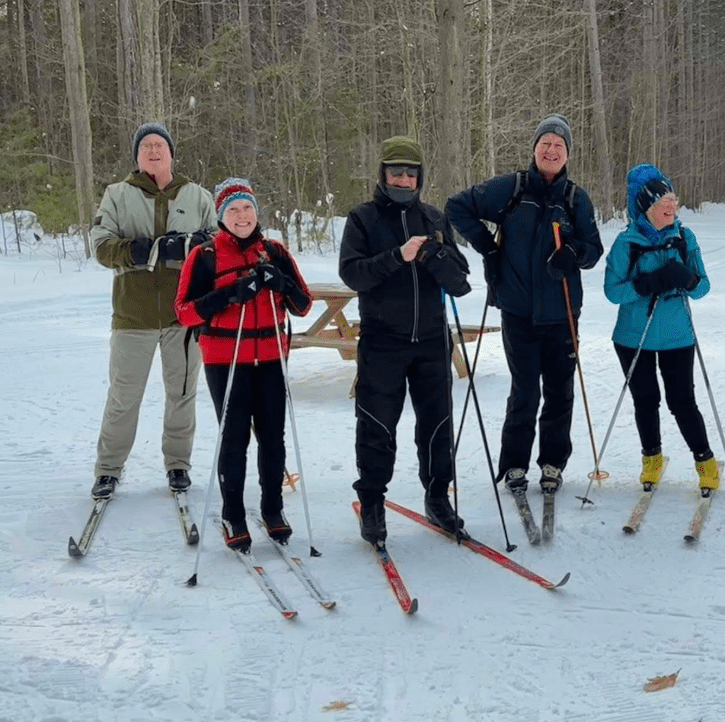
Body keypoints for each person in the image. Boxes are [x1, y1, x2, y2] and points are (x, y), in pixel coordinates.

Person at [445, 114, 603, 497]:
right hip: (519, 311)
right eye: (545, 143)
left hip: (563, 313)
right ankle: (514, 464)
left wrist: (574, 254)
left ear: (567, 155)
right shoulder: (511, 188)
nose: (551, 150)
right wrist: (487, 247)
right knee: (525, 391)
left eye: (559, 146)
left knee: (561, 391)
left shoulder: (575, 198)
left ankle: (553, 462)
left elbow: (594, 249)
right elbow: (456, 207)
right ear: (535, 148)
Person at [340, 136, 471, 546]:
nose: (403, 179)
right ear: (382, 175)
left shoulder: (434, 218)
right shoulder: (362, 219)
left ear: (420, 178)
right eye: (395, 172)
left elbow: (461, 282)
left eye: (410, 173)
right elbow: (353, 274)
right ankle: (373, 503)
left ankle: (437, 497)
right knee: (377, 425)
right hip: (383, 341)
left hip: (432, 340)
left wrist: (438, 258)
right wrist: (398, 256)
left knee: (438, 426)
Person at [175, 179, 313, 550]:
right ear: (221, 215)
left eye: (247, 208)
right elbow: (185, 312)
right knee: (233, 438)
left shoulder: (275, 251)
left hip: (270, 358)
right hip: (226, 360)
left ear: (256, 211)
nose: (241, 216)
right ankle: (233, 513)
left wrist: (280, 281)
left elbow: (304, 305)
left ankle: (273, 509)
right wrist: (228, 295)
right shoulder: (204, 255)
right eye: (233, 210)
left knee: (273, 438)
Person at [88, 123, 218, 501]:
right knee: (124, 396)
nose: (153, 150)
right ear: (137, 156)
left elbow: (218, 241)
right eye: (146, 146)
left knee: (182, 393)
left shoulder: (196, 195)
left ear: (172, 153)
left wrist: (192, 247)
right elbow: (100, 245)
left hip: (185, 317)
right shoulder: (117, 194)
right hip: (133, 314)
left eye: (160, 144)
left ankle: (178, 464)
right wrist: (142, 251)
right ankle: (108, 470)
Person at [603, 164, 718, 491]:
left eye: (673, 200)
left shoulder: (685, 238)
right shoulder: (627, 243)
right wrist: (647, 283)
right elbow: (613, 292)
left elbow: (703, 288)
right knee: (645, 398)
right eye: (663, 202)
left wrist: (687, 278)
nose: (672, 207)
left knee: (682, 401)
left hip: (677, 336)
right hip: (632, 337)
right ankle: (651, 459)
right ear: (646, 208)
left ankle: (705, 460)